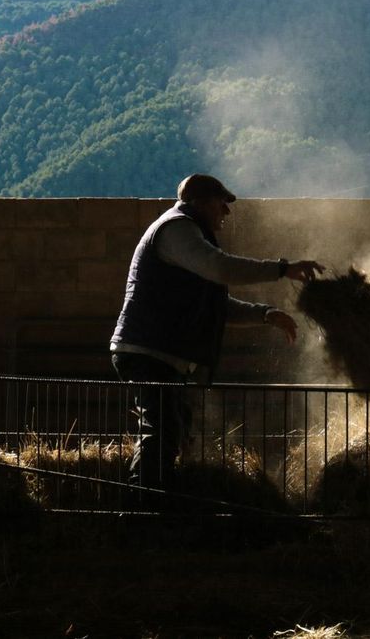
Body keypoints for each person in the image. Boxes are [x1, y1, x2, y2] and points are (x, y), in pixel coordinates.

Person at [110, 173, 323, 499]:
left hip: (159, 351)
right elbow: (222, 269)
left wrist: (263, 315)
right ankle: (144, 510)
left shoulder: (190, 236)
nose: (226, 211)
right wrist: (282, 269)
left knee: (171, 431)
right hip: (150, 350)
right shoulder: (178, 229)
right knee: (161, 430)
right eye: (222, 203)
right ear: (202, 202)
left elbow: (216, 305)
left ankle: (155, 503)